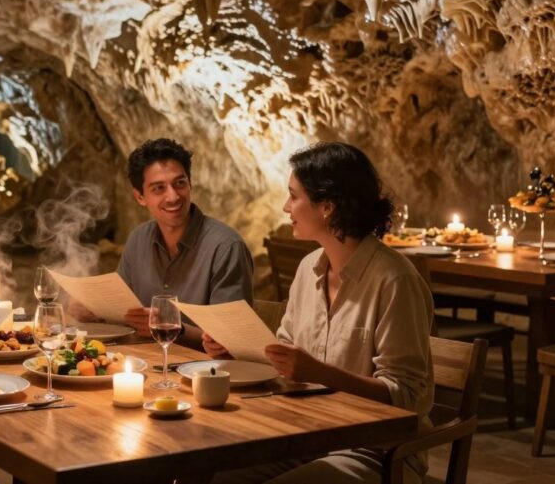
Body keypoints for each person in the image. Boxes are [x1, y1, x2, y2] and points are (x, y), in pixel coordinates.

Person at [204, 142, 434, 484]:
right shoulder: (308, 268)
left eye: (293, 196)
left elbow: (406, 398)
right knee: (213, 476)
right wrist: (233, 349)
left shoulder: (394, 280)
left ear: (327, 206)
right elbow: (283, 357)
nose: (286, 207)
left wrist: (320, 373)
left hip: (376, 452)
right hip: (304, 435)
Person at [73, 138, 254, 348]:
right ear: (140, 197)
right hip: (147, 362)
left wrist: (172, 328)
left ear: (190, 184)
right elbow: (121, 312)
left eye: (180, 183)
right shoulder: (138, 239)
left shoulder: (226, 248)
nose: (173, 196)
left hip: (204, 373)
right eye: (159, 188)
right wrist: (94, 311)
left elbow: (233, 340)